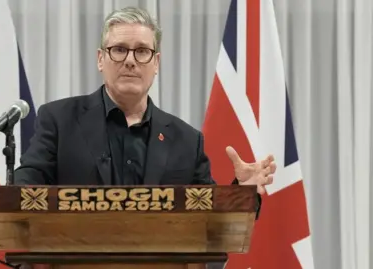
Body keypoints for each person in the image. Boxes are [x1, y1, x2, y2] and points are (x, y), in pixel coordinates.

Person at [14, 7, 275, 198]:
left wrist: (243, 190)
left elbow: (208, 215)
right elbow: (26, 187)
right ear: (100, 59)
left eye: (141, 51)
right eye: (119, 49)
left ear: (156, 63)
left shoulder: (186, 140)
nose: (130, 60)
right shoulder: (59, 120)